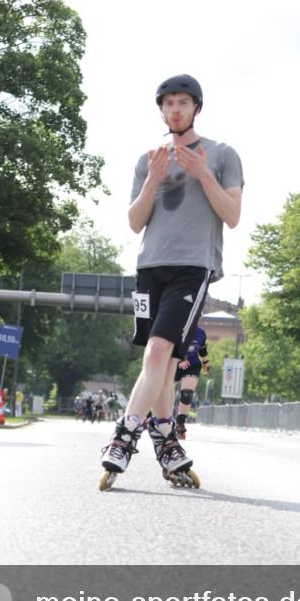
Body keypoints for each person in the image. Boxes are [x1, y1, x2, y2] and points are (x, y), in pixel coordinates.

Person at [100, 74, 243, 489]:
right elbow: (134, 222)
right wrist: (151, 182)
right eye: (168, 104)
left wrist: (204, 175)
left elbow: (232, 216)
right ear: (161, 109)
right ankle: (167, 443)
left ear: (196, 107)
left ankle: (123, 438)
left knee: (162, 349)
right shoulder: (149, 159)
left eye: (183, 102)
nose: (176, 109)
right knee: (158, 358)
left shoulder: (222, 154)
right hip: (151, 266)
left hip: (193, 266)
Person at [173, 324, 210, 439]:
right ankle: (153, 416)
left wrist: (206, 363)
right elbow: (169, 346)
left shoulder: (200, 333)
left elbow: (202, 350)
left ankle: (180, 422)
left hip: (192, 365)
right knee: (165, 391)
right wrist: (181, 358)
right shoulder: (176, 328)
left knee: (187, 394)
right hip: (173, 363)